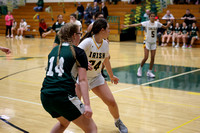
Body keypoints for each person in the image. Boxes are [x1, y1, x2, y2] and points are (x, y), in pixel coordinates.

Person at [41, 23, 97, 133]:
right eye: (80, 34)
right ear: (74, 35)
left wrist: (82, 65)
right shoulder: (78, 52)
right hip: (63, 97)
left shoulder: (54, 50)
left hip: (45, 96)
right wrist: (87, 105)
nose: (80, 37)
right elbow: (82, 80)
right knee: (92, 128)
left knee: (64, 122)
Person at [76, 19, 128, 133]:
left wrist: (111, 76)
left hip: (96, 77)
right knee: (75, 105)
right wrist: (83, 62)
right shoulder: (88, 42)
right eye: (108, 29)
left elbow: (106, 61)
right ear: (102, 30)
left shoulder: (105, 44)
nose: (109, 31)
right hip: (81, 78)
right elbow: (74, 52)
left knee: (111, 102)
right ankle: (70, 125)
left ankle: (118, 121)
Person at [123, 12, 171, 78]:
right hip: (147, 42)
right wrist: (127, 26)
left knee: (153, 58)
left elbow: (165, 27)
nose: (153, 17)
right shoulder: (146, 23)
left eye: (154, 16)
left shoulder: (157, 23)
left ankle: (149, 72)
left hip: (153, 43)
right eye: (151, 16)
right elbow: (137, 25)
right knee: (146, 57)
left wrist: (169, 24)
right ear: (149, 17)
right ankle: (139, 69)